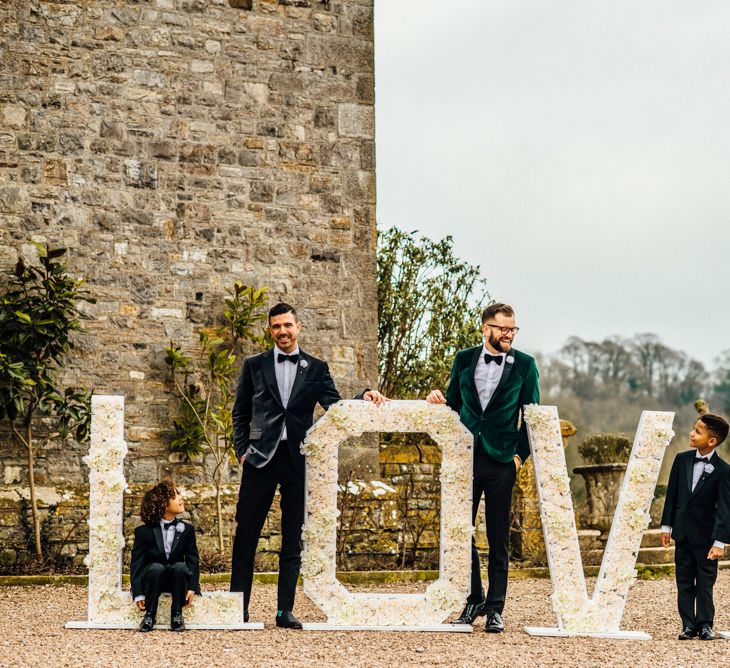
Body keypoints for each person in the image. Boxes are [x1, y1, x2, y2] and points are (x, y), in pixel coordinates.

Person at [230, 302, 386, 628]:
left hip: (298, 461)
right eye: (276, 327)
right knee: (246, 534)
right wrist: (242, 450)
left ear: (298, 327)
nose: (282, 332)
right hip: (259, 459)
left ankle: (283, 610)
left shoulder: (316, 368)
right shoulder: (254, 365)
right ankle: (237, 607)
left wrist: (364, 395)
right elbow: (240, 412)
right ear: (270, 330)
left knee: (292, 537)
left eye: (287, 325)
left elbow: (335, 405)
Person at [427, 302, 539, 632]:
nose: (509, 334)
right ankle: (473, 598)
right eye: (503, 328)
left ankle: (495, 608)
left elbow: (531, 417)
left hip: (503, 460)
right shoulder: (463, 359)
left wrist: (519, 457)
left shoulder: (526, 365)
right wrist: (438, 400)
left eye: (513, 329)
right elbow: (455, 404)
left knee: (498, 536)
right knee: (461, 533)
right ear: (485, 329)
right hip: (466, 458)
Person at [661, 413, 730, 640]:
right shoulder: (681, 460)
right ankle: (688, 625)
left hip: (707, 539)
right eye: (693, 428)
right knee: (684, 581)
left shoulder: (723, 470)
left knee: (705, 583)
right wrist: (666, 526)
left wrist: (719, 542)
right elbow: (672, 495)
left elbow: (724, 508)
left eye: (698, 431)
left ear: (712, 441)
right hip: (682, 533)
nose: (692, 433)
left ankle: (705, 625)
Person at [130, 480, 200, 632]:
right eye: (174, 496)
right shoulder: (144, 532)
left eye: (179, 494)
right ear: (162, 503)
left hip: (177, 580)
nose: (180, 498)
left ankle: (176, 614)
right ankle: (149, 615)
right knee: (155, 568)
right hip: (152, 580)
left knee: (181, 566)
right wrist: (138, 594)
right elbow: (136, 564)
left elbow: (193, 560)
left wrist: (193, 587)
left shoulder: (187, 529)